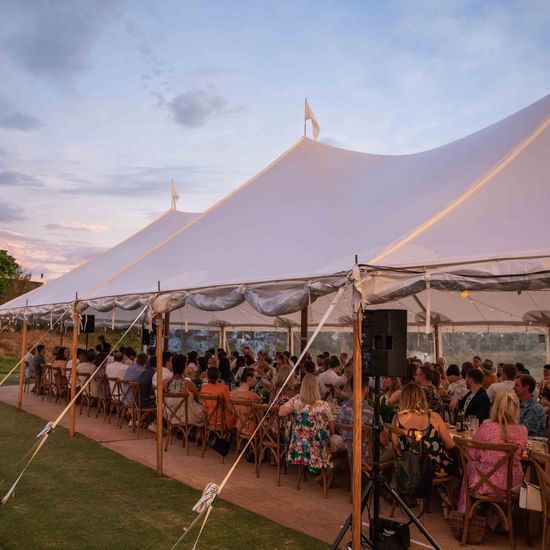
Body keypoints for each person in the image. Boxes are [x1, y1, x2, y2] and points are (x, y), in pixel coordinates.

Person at [457, 392, 528, 527]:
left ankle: (465, 516)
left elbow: (472, 454)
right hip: (511, 485)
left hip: (482, 483)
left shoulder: (486, 426)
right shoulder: (522, 431)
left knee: (470, 466)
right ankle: (494, 520)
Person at [391, 382, 455, 517]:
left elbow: (395, 444)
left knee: (425, 462)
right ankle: (449, 501)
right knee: (455, 462)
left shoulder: (397, 419)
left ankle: (443, 498)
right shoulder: (434, 417)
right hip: (436, 469)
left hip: (409, 469)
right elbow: (450, 444)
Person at [279, 374, 334, 474]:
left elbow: (280, 412)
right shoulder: (324, 405)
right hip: (318, 447)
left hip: (300, 445)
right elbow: (332, 428)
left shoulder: (296, 401)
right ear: (317, 387)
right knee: (336, 443)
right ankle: (327, 472)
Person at [337, 372, 392, 462]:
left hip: (351, 454)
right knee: (394, 450)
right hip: (369, 457)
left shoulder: (342, 410)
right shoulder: (372, 412)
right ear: (366, 388)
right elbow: (384, 442)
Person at [231, 367, 260, 437]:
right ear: (249, 379)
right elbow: (259, 415)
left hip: (238, 425)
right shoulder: (253, 396)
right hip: (251, 428)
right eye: (255, 378)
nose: (256, 380)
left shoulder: (234, 393)